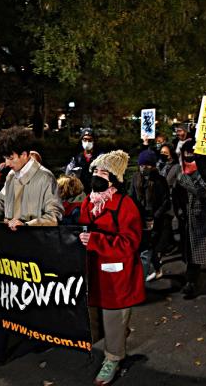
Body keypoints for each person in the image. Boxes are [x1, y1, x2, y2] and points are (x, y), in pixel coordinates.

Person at [0, 126, 63, 367]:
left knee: (27, 300)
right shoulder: (10, 176)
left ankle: (37, 339)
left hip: (34, 251)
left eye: (11, 157)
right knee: (4, 299)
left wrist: (27, 224)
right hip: (10, 251)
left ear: (25, 153)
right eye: (5, 158)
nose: (6, 163)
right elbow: (0, 203)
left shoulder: (45, 177)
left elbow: (55, 215)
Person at [77, 150, 145, 385]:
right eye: (95, 171)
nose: (97, 176)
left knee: (113, 316)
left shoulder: (125, 205)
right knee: (99, 317)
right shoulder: (89, 201)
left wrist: (97, 241)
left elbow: (131, 243)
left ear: (114, 179)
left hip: (117, 274)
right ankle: (116, 339)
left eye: (103, 172)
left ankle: (113, 358)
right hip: (94, 271)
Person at [177, 140, 206, 299]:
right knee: (187, 251)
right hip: (185, 217)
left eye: (192, 152)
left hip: (200, 218)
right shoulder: (181, 170)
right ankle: (189, 279)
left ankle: (191, 283)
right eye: (187, 152)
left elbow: (204, 192)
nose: (189, 156)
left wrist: (184, 180)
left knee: (196, 253)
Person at [129, 149, 170, 281]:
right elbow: (132, 197)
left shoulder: (160, 181)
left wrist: (154, 218)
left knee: (148, 249)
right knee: (145, 248)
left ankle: (140, 280)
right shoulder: (135, 178)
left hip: (155, 219)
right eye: (141, 165)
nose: (144, 168)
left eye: (147, 165)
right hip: (139, 218)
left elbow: (165, 202)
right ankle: (157, 269)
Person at [65, 128, 100, 194]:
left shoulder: (100, 157)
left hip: (96, 191)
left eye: (90, 140)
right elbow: (68, 175)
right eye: (85, 139)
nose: (87, 142)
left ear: (94, 141)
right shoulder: (77, 158)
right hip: (81, 192)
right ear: (81, 140)